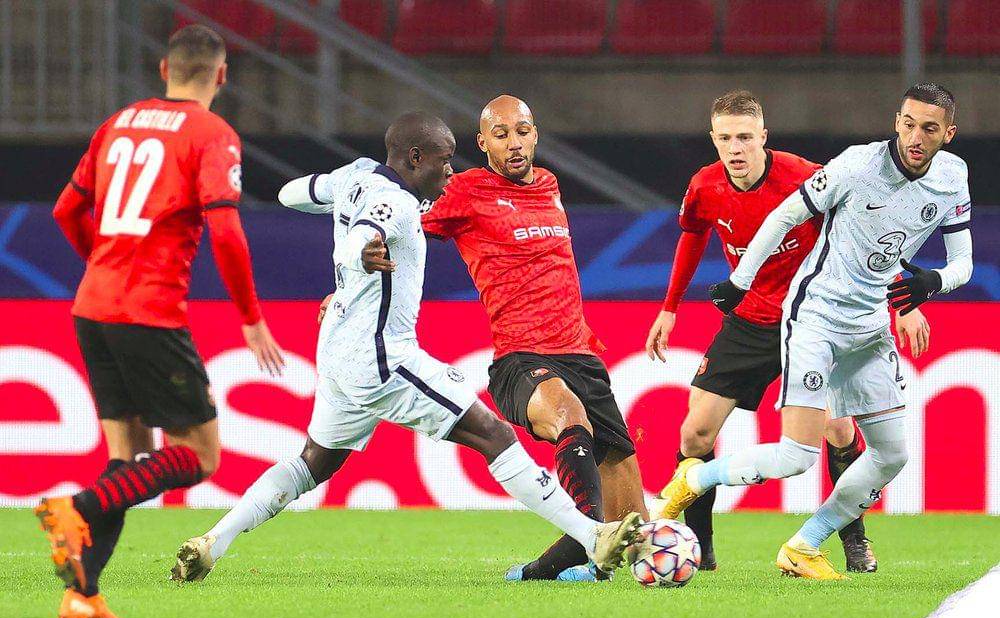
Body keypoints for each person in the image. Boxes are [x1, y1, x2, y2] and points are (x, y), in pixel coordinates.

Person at [170, 112, 642, 583]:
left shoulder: (354, 175)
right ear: (416, 158)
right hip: (382, 358)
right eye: (444, 160)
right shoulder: (395, 204)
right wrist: (359, 255)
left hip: (336, 353)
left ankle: (215, 540)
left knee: (313, 461)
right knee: (494, 437)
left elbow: (290, 193)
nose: (451, 171)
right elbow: (357, 241)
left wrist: (347, 249)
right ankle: (590, 535)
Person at [656, 83, 973, 579]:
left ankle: (814, 543)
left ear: (947, 135)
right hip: (806, 316)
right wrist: (723, 288)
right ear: (896, 121)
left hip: (868, 324)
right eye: (908, 123)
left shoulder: (951, 177)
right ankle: (696, 489)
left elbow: (922, 253)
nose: (916, 136)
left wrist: (926, 287)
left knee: (885, 451)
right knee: (774, 449)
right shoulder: (852, 167)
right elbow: (772, 219)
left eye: (929, 128)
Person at [36, 25, 284, 618]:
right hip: (148, 312)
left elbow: (66, 208)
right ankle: (76, 509)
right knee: (200, 456)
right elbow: (225, 229)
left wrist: (101, 264)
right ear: (220, 75)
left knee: (129, 456)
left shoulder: (116, 123)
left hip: (92, 307)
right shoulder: (212, 133)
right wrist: (250, 317)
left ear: (162, 70)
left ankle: (82, 596)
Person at [421, 95, 649, 582]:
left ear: (536, 134)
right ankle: (587, 541)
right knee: (569, 414)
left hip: (581, 355)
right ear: (483, 144)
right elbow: (400, 229)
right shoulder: (465, 191)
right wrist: (351, 280)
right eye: (500, 134)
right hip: (521, 360)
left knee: (636, 528)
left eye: (522, 131)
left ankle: (553, 570)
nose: (514, 142)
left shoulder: (549, 184)